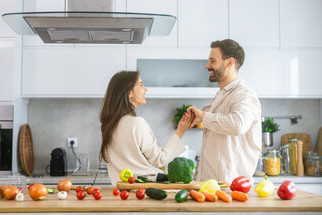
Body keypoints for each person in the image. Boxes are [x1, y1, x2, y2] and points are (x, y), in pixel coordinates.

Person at [99, 71, 192, 186]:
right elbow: (159, 159)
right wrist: (181, 130)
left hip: (121, 192)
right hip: (145, 191)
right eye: (141, 85)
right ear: (129, 93)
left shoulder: (109, 125)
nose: (145, 89)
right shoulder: (136, 123)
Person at [188, 39, 262, 183]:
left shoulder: (244, 95)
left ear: (229, 63)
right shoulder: (221, 96)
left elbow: (238, 124)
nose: (207, 66)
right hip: (211, 186)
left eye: (213, 61)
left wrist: (204, 116)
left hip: (231, 190)